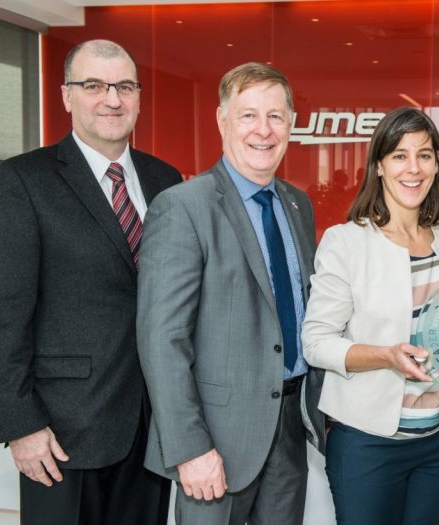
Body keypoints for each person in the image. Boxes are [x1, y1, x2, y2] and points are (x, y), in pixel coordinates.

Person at [0, 39, 181, 525]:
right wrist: (22, 425)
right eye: (94, 85)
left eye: (125, 86)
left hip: (152, 426)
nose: (112, 99)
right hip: (64, 431)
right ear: (67, 95)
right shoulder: (24, 180)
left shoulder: (165, 180)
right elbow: (2, 316)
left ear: (138, 96)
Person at [136, 62, 326, 525]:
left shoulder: (298, 204)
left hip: (289, 426)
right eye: (248, 116)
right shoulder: (183, 207)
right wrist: (190, 447)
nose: (263, 130)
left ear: (291, 125)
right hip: (215, 440)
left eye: (276, 116)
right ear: (222, 120)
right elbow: (162, 341)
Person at [302, 107, 439, 525]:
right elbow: (316, 343)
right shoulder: (346, 242)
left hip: (438, 437)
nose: (414, 168)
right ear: (379, 166)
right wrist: (386, 356)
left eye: (425, 155)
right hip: (368, 443)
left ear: (437, 164)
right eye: (399, 155)